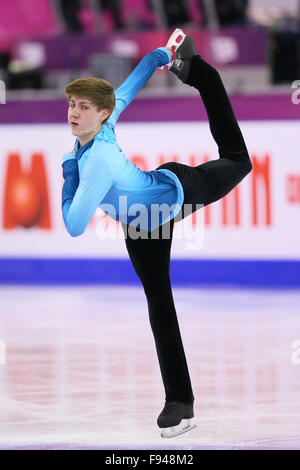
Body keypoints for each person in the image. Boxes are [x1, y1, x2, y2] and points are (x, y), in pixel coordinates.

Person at [61, 29, 252, 437]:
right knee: (159, 303)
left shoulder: (96, 160)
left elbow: (74, 225)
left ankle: (201, 72)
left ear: (102, 113)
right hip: (140, 226)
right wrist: (161, 55)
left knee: (238, 161)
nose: (74, 113)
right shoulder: (103, 124)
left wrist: (67, 179)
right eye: (72, 105)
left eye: (83, 107)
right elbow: (130, 85)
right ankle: (180, 403)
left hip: (174, 192)